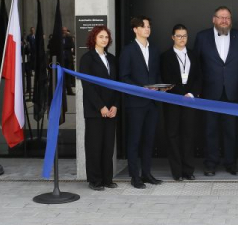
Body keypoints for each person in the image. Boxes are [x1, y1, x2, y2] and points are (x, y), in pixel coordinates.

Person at [193, 6, 238, 176]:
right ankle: (210, 163)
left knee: (231, 130)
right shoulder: (202, 37)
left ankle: (231, 163)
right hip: (209, 92)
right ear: (213, 19)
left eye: (227, 18)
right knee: (210, 130)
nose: (224, 21)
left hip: (232, 92)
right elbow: (197, 65)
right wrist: (198, 89)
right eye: (221, 17)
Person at [119, 16, 164, 189]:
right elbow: (124, 77)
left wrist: (160, 87)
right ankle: (134, 176)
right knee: (134, 140)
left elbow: (156, 74)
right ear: (135, 30)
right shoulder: (128, 50)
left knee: (148, 140)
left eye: (148, 26)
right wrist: (141, 88)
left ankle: (146, 173)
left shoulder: (154, 50)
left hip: (152, 103)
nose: (147, 29)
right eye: (143, 26)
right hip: (135, 103)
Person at [79, 26, 119, 191]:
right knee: (95, 146)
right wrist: (101, 106)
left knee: (108, 146)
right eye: (101, 36)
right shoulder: (87, 58)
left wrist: (115, 105)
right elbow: (87, 86)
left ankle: (107, 179)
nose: (104, 39)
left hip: (111, 110)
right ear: (94, 38)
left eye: (106, 37)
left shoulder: (112, 59)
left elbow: (118, 84)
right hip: (95, 110)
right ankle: (95, 180)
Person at [160, 24, 201, 181]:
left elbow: (199, 77)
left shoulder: (194, 55)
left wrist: (191, 94)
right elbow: (165, 79)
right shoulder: (165, 56)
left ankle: (188, 171)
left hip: (189, 100)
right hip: (172, 101)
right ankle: (177, 172)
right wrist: (180, 94)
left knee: (188, 135)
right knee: (173, 135)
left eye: (184, 36)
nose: (182, 39)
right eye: (178, 36)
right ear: (172, 37)